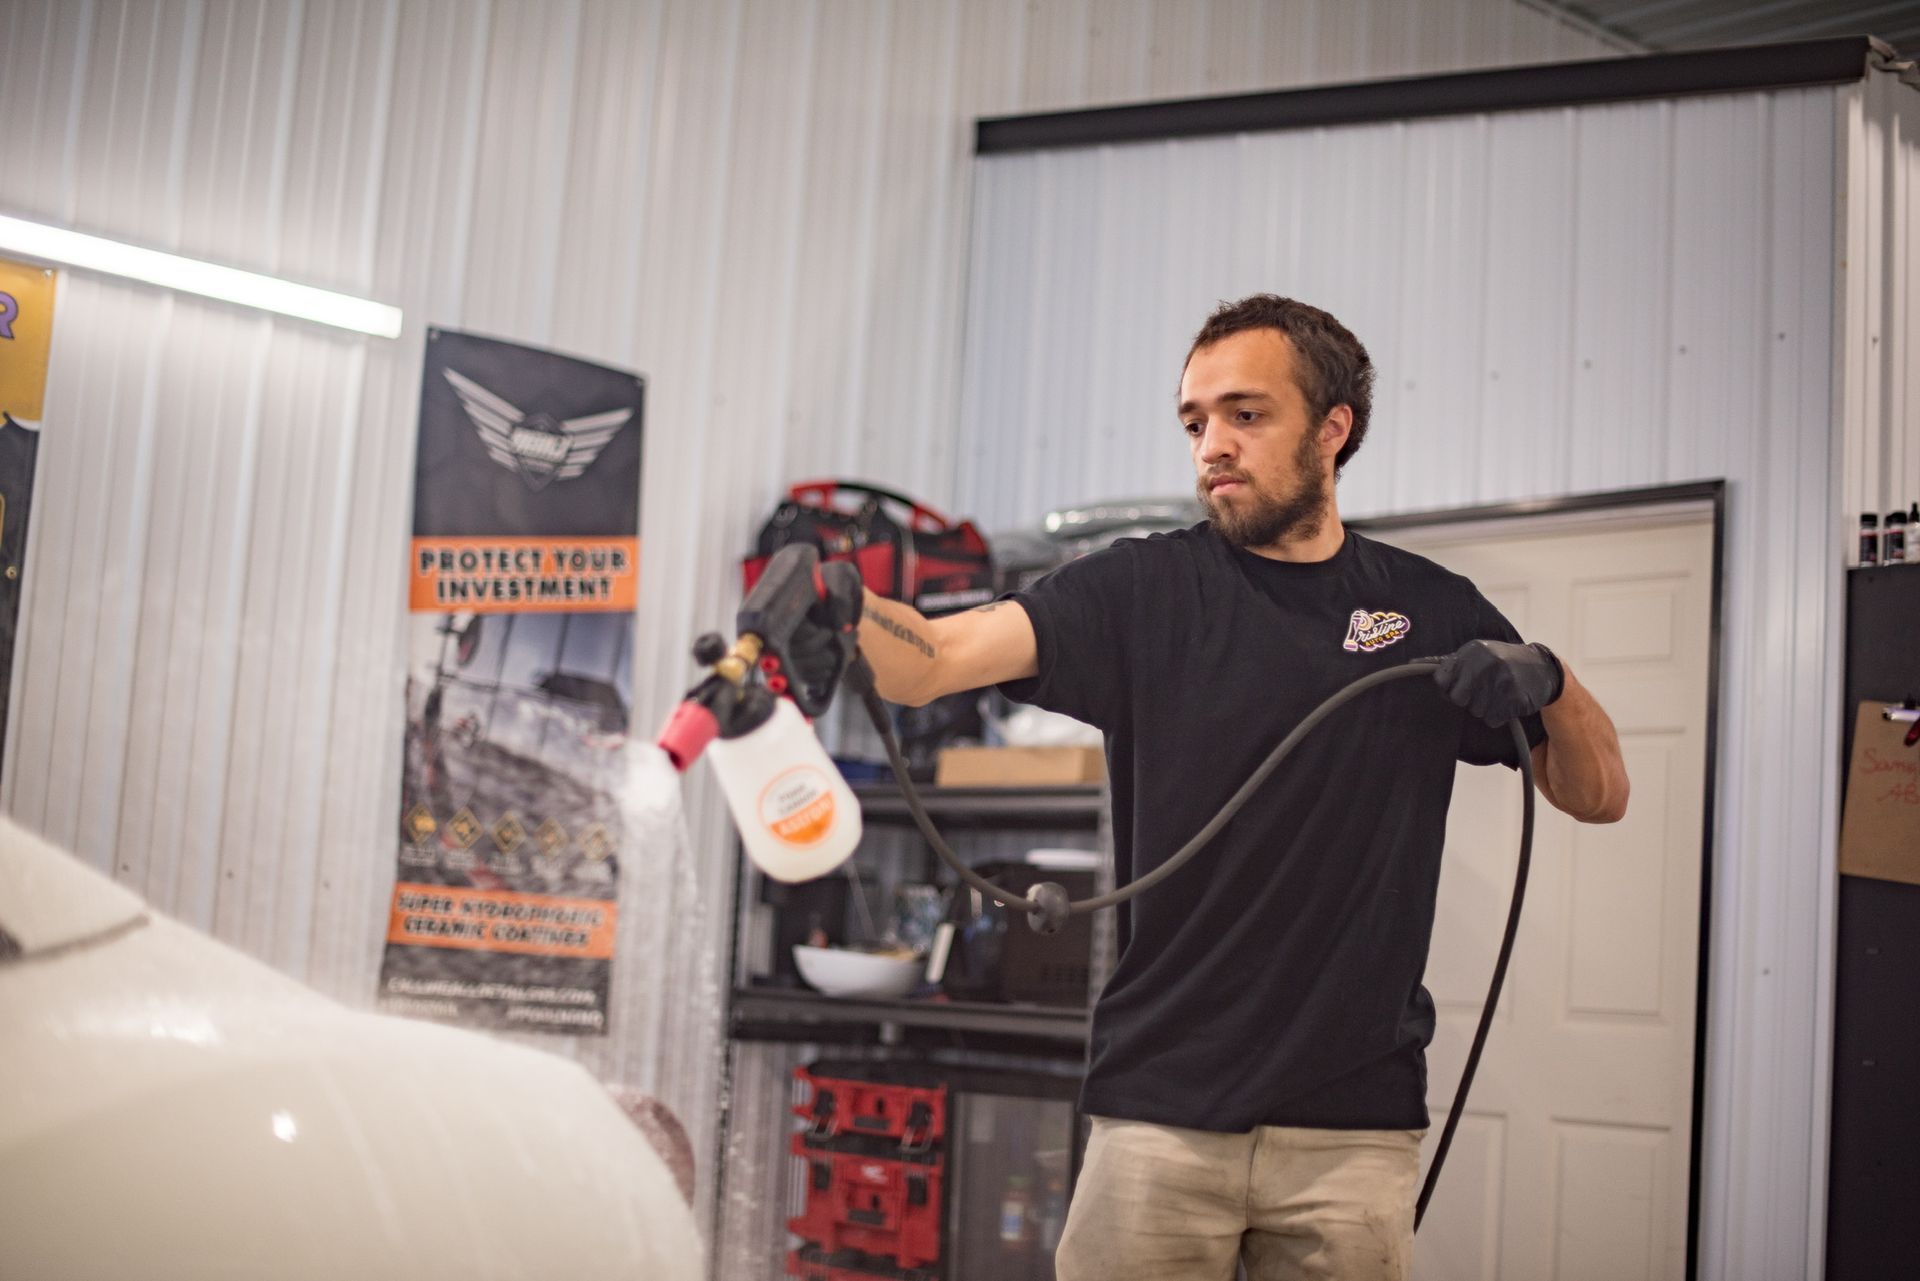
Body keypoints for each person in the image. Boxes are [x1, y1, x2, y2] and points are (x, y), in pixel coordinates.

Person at [850, 294, 1630, 1280]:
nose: (1211, 445)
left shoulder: (1429, 609)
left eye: (1246, 414)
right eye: (1194, 422)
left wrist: (1551, 680)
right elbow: (932, 659)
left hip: (1352, 1133)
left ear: (1333, 428)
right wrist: (845, 609)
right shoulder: (1140, 592)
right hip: (1158, 1118)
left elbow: (1599, 793)